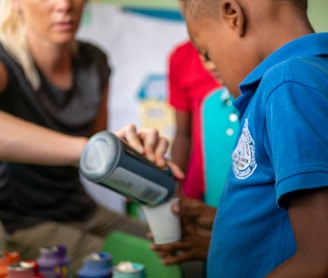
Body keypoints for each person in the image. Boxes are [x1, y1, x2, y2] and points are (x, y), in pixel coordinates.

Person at [152, 0, 328, 277]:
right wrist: (218, 221)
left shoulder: (287, 84)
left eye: (207, 52)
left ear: (233, 15)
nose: (212, 66)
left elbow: (320, 258)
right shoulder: (308, 76)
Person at [0, 0, 175, 272]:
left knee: (181, 254)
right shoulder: (5, 61)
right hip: (26, 224)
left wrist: (138, 166)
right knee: (151, 269)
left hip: (84, 209)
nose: (64, 5)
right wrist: (88, 149)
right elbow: (92, 150)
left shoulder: (93, 62)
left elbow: (98, 158)